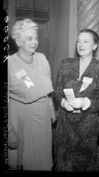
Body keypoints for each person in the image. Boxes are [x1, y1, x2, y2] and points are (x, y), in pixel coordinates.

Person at [53, 28, 99, 171]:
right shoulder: (66, 64)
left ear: (95, 46)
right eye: (79, 41)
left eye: (86, 41)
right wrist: (63, 102)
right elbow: (57, 92)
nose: (81, 44)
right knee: (62, 165)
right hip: (64, 128)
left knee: (84, 166)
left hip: (87, 130)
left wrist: (88, 103)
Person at [8, 18, 56, 171]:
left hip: (42, 119)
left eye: (36, 37)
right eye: (29, 38)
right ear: (18, 40)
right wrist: (9, 133)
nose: (35, 41)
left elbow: (47, 90)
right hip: (23, 120)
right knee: (27, 161)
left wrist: (51, 109)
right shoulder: (10, 64)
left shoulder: (42, 59)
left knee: (43, 161)